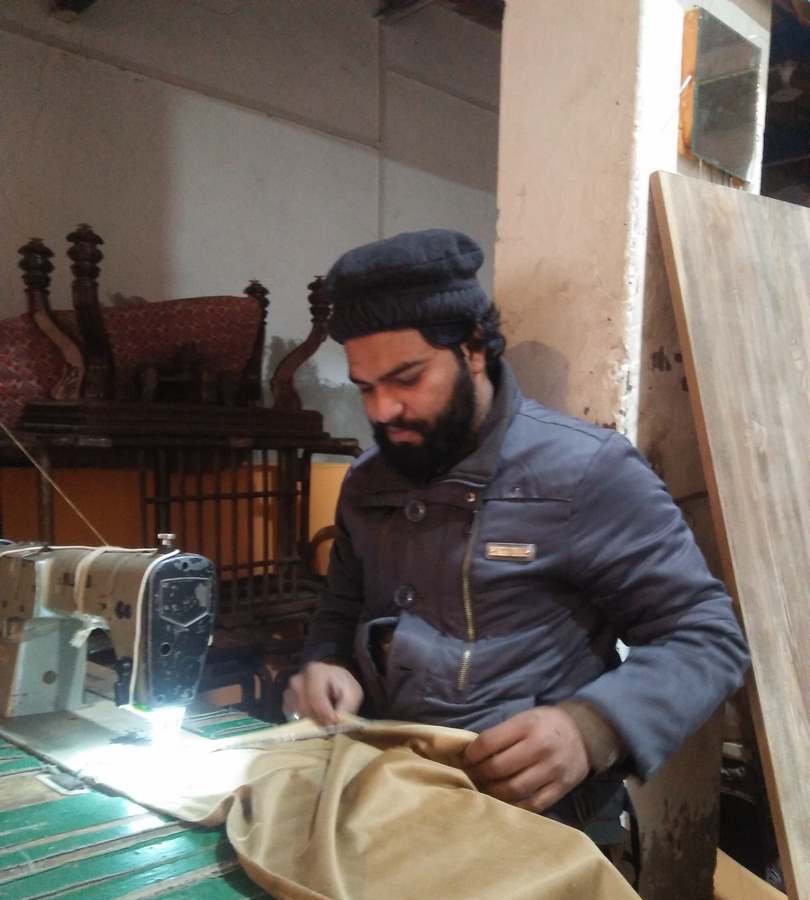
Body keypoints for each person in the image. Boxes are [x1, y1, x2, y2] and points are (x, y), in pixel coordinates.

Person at [284, 228, 749, 841]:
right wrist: (325, 665)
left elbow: (707, 637)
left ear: (475, 348)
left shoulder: (587, 472)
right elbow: (340, 611)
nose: (382, 411)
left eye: (407, 378)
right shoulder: (367, 482)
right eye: (366, 387)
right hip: (390, 801)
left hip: (540, 825)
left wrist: (591, 729)